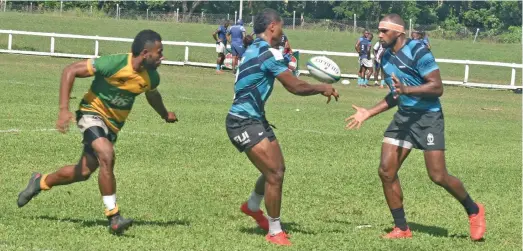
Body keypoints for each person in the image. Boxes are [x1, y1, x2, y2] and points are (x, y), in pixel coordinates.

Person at [16, 29, 178, 235]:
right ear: (145, 53)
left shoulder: (151, 77)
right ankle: (114, 216)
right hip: (91, 113)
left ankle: (40, 181)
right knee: (107, 154)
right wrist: (64, 109)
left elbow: (152, 95)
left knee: (82, 172)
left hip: (112, 126)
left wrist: (165, 114)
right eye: (159, 52)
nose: (162, 56)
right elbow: (70, 70)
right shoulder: (114, 64)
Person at [344, 14, 486, 240]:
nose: (379, 35)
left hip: (428, 118)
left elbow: (437, 87)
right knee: (386, 171)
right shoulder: (385, 57)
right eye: (378, 30)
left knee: (438, 175)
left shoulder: (419, 51)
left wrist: (408, 91)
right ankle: (402, 228)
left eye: (384, 31)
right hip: (404, 117)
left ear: (399, 33)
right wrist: (368, 112)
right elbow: (395, 95)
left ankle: (474, 210)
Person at [226, 8, 339, 246]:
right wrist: (322, 87)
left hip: (255, 118)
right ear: (273, 27)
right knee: (274, 174)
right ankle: (275, 231)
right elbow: (294, 86)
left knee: (277, 169)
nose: (283, 31)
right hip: (242, 122)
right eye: (282, 26)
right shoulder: (268, 53)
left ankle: (252, 206)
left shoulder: (253, 48)